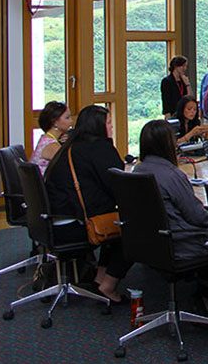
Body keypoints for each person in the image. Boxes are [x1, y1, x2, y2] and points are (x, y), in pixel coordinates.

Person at [43, 105, 132, 303]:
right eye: (108, 123)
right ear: (98, 126)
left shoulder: (72, 144)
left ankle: (100, 278)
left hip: (53, 221)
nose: (111, 127)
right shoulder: (99, 147)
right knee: (133, 224)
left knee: (115, 218)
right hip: (75, 225)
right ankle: (109, 285)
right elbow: (119, 185)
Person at [133, 120, 208, 261]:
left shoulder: (138, 169)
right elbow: (198, 217)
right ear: (169, 144)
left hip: (152, 242)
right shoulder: (172, 175)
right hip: (184, 243)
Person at [31, 101, 72, 175]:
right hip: (45, 185)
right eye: (67, 118)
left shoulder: (45, 138)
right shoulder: (52, 146)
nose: (71, 121)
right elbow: (71, 165)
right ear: (54, 122)